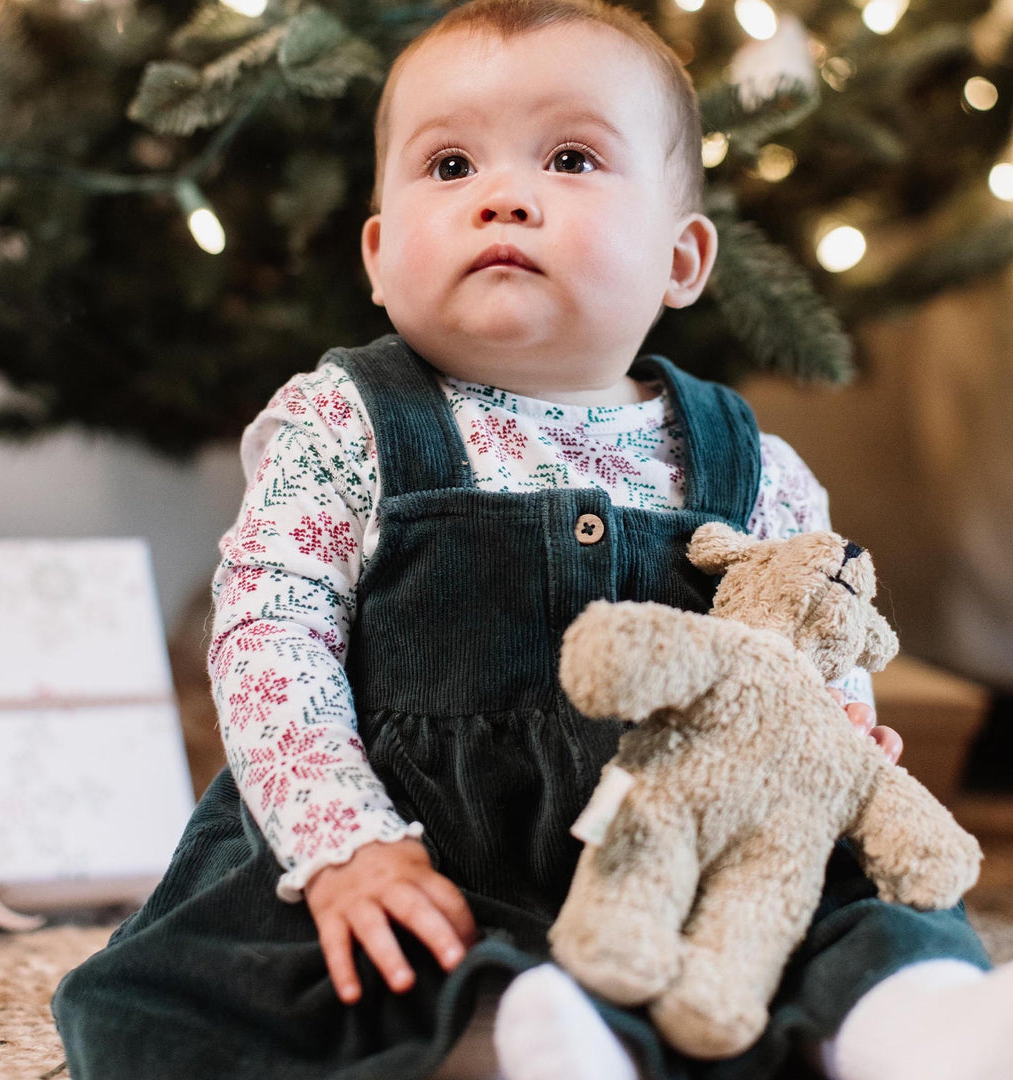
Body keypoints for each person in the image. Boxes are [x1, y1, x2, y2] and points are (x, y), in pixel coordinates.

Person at [53, 3, 1010, 1078]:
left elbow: (811, 641)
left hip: (677, 840)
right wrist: (345, 842)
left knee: (853, 904)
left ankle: (914, 1027)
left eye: (569, 157)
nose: (503, 195)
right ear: (378, 253)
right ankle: (520, 1040)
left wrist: (842, 732)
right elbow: (271, 635)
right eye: (450, 164)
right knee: (249, 983)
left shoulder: (752, 465)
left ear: (682, 257)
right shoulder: (346, 422)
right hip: (426, 834)